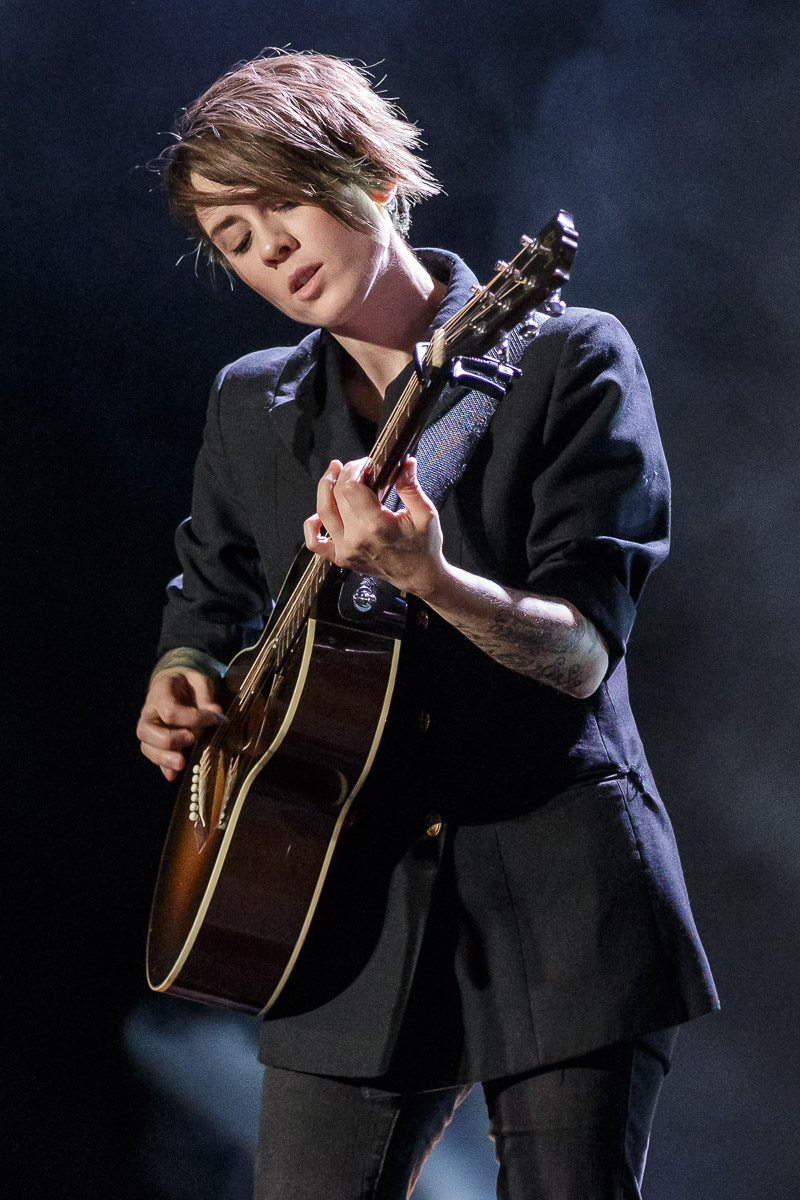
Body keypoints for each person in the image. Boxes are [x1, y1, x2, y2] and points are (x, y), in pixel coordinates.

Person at [137, 51, 718, 1200]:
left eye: (281, 205)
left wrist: (432, 579)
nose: (269, 252)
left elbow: (581, 653)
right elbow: (206, 596)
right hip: (333, 901)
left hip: (559, 891)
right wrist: (183, 669)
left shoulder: (564, 358)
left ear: (368, 172)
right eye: (234, 240)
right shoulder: (250, 402)